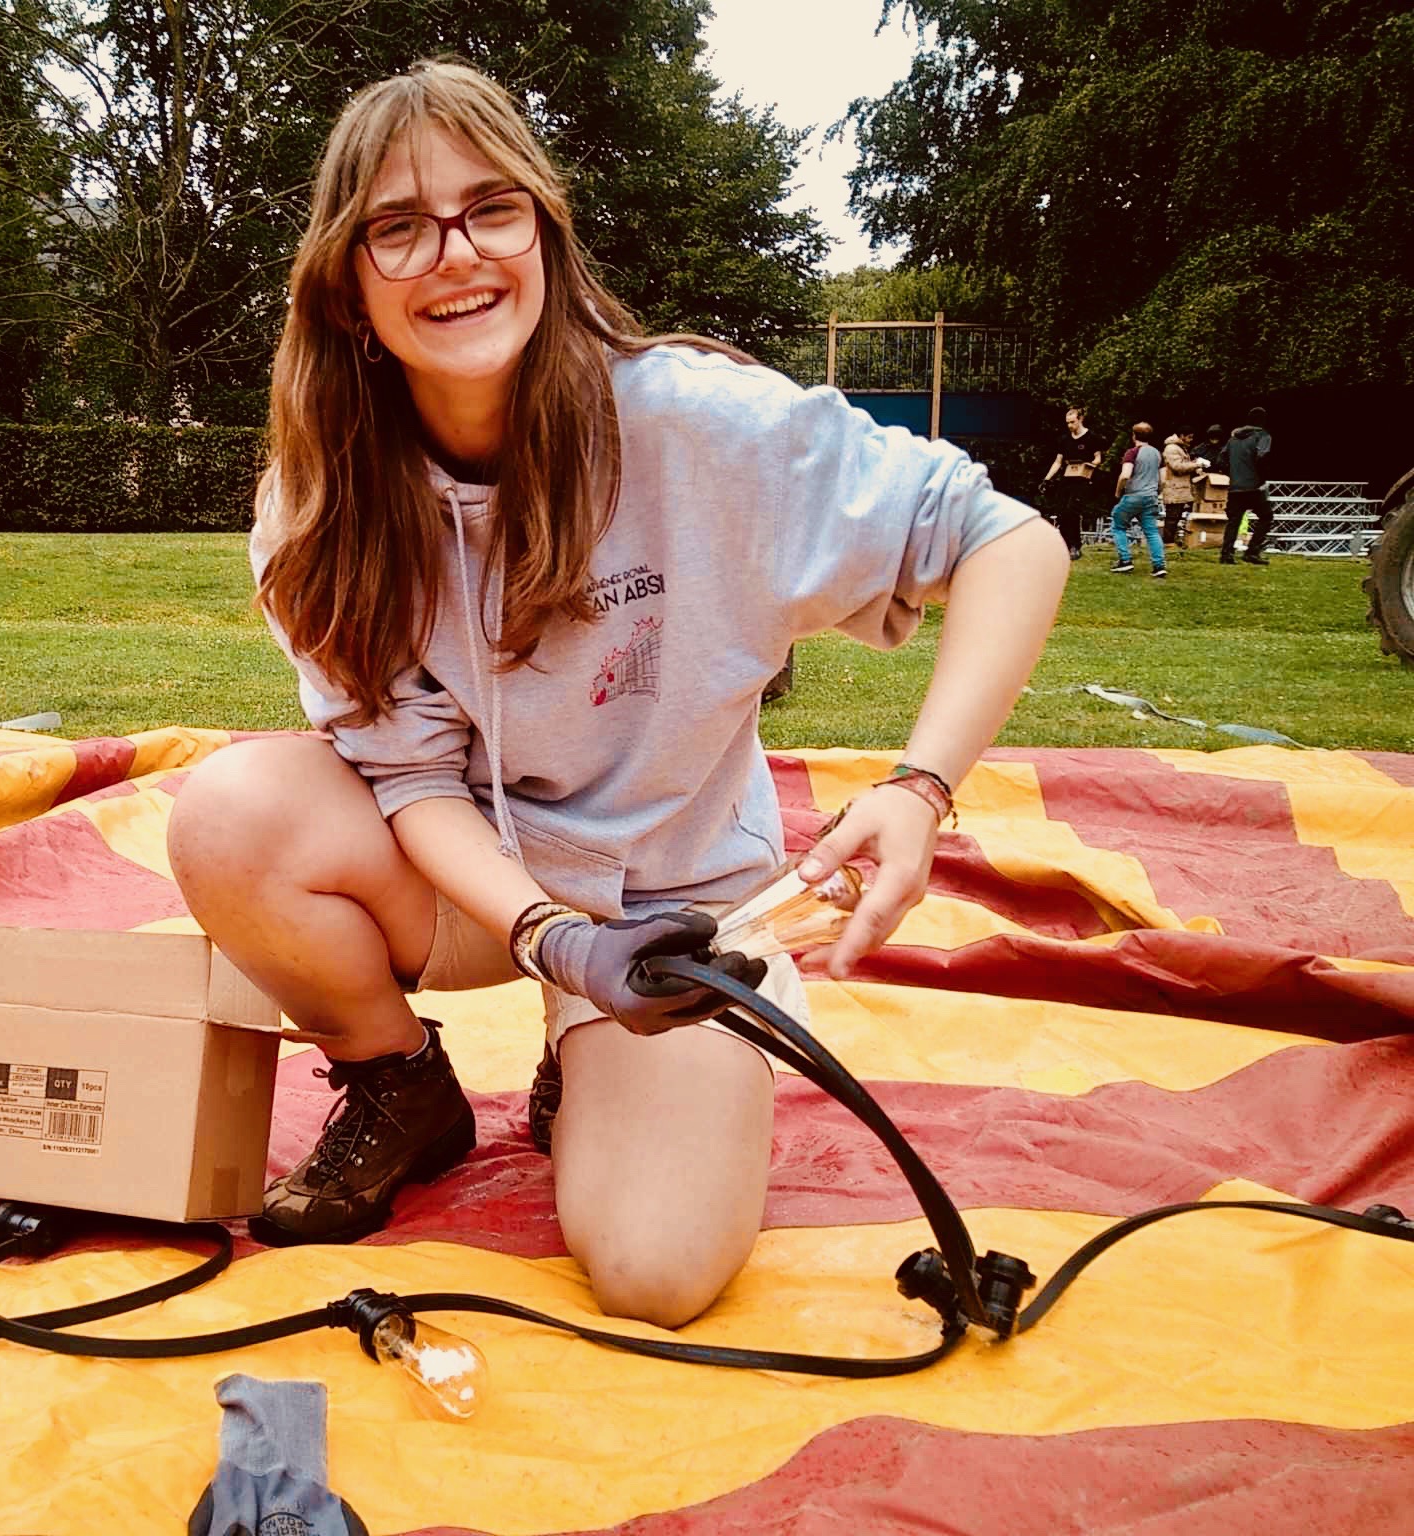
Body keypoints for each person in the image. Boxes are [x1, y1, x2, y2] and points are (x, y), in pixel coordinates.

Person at [164, 60, 1069, 1329]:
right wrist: (553, 938)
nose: (453, 252)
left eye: (491, 207)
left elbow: (1008, 540)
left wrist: (920, 789)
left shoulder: (700, 424)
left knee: (655, 1273)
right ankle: (397, 1083)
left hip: (684, 907)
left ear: (542, 231)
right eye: (397, 226)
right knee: (228, 813)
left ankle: (578, 1063)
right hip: (484, 889)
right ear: (352, 291)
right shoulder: (321, 508)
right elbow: (412, 780)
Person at [1037, 407, 1105, 558]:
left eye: (1072, 422)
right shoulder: (1064, 440)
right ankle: (1063, 545)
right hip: (1067, 477)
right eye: (1067, 423)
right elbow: (1058, 461)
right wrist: (1047, 479)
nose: (1070, 426)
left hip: (1083, 479)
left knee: (1072, 511)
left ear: (1080, 419)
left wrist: (1089, 465)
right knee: (1061, 512)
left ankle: (1075, 545)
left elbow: (1098, 459)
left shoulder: (1092, 438)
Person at [1108, 423, 1168, 576]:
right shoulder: (1158, 454)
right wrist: (1156, 492)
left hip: (1134, 495)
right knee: (1152, 532)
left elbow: (1125, 475)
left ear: (1133, 436)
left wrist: (1117, 491)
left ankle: (1125, 560)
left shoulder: (1132, 453)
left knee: (1118, 524)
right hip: (1151, 497)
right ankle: (1159, 566)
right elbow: (1164, 479)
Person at [1222, 406, 1274, 565]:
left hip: (1235, 486)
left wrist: (1232, 474)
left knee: (1233, 521)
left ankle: (1226, 554)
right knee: (1266, 516)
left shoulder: (1233, 439)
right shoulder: (1263, 436)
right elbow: (1262, 457)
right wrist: (1262, 479)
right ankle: (1252, 551)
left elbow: (1221, 459)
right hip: (1253, 486)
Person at [1159, 426, 1200, 547]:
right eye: (1189, 437)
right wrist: (1195, 465)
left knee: (1176, 516)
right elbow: (1177, 467)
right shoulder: (1172, 448)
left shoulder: (1180, 448)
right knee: (1172, 516)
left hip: (1180, 487)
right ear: (1182, 436)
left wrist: (1193, 464)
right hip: (1174, 487)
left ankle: (1172, 540)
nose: (1191, 440)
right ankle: (1168, 542)